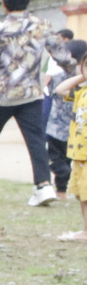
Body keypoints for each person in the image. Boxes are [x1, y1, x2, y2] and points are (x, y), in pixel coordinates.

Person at [0, 0, 79, 207]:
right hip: (31, 94)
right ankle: (43, 186)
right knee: (35, 141)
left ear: (3, 3)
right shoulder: (42, 26)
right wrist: (78, 75)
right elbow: (63, 58)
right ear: (30, 0)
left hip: (2, 96)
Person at [46, 38, 87, 197]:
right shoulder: (77, 86)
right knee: (63, 162)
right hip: (64, 129)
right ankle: (62, 191)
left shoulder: (74, 84)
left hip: (64, 129)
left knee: (60, 162)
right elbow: (59, 90)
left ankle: (63, 190)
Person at [62, 66, 87, 241]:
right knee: (82, 195)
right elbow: (60, 89)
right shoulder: (82, 92)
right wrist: (81, 77)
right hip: (79, 153)